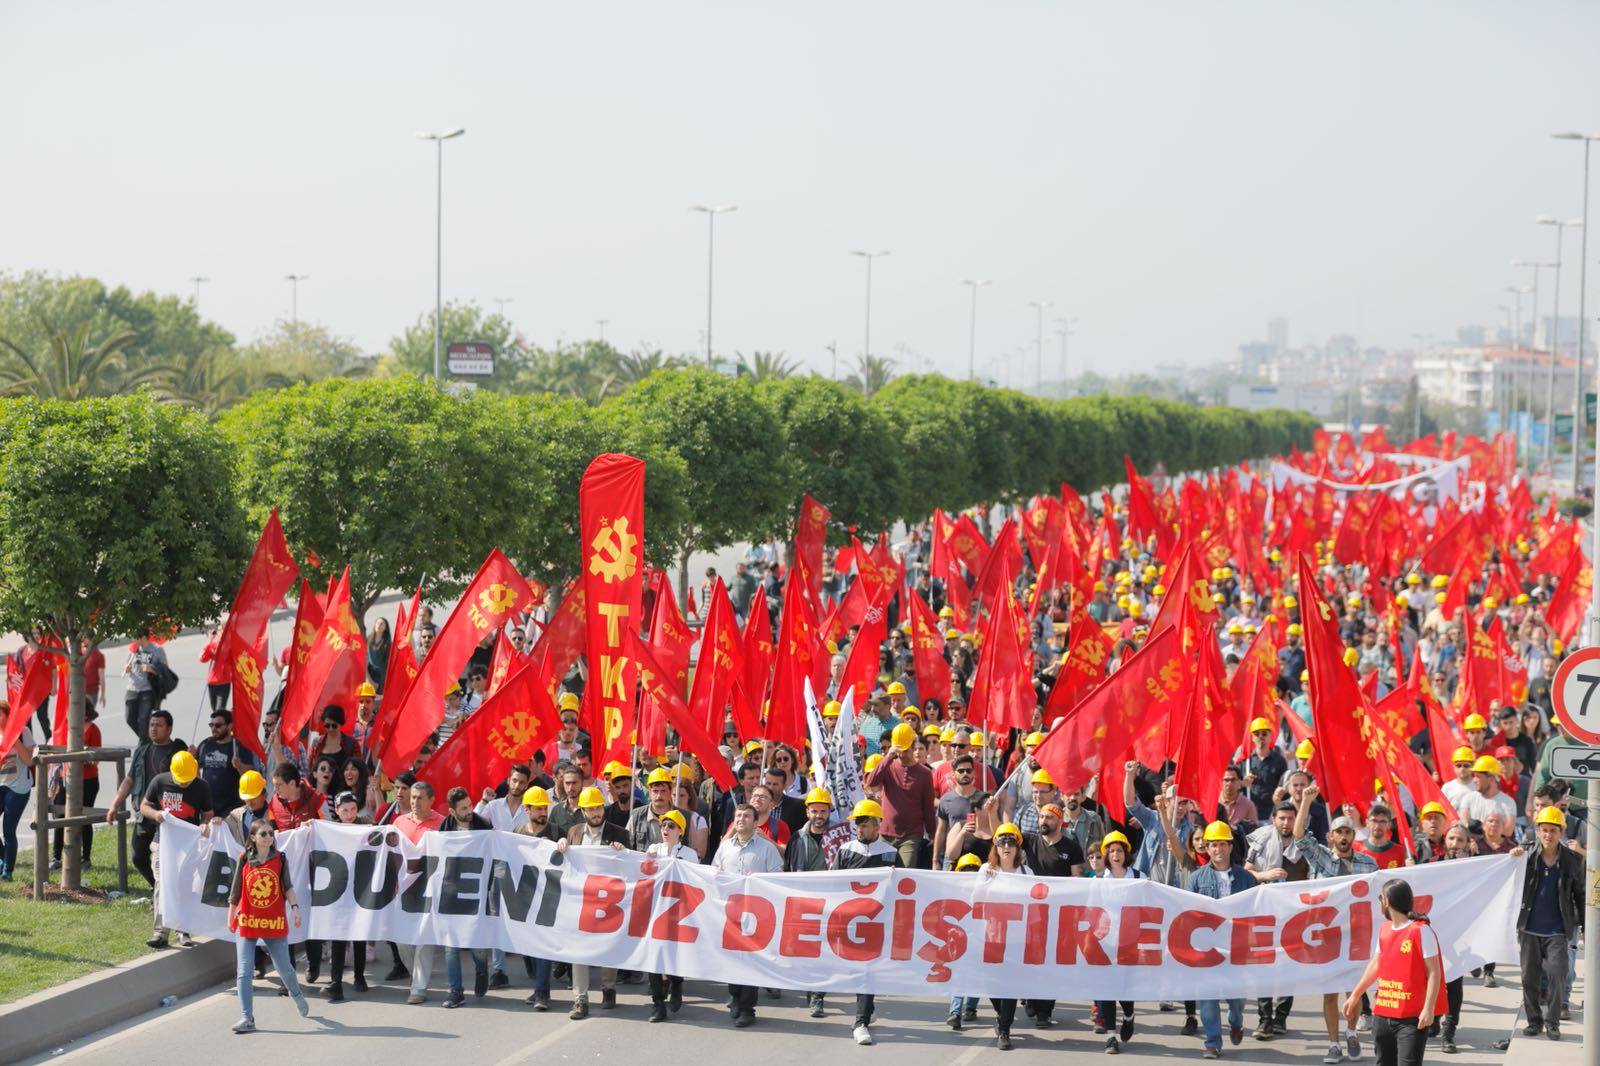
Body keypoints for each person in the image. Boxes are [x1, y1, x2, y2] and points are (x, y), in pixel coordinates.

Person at [1287, 784, 1374, 1064]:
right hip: (1326, 936)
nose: (1344, 836)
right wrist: (1306, 803)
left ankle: (1351, 1033)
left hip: (1356, 936)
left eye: (1348, 831)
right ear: (1331, 836)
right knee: (1329, 995)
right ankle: (1334, 1044)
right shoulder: (1322, 857)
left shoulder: (1369, 864)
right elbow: (1299, 836)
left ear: (1353, 836)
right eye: (1339, 832)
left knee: (1355, 991)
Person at [1343, 880, 1445, 1066]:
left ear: (1387, 901)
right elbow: (1376, 964)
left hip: (1411, 1018)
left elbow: (1434, 972)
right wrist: (1355, 995)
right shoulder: (1384, 929)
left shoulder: (1421, 931)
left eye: (1380, 898)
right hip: (1383, 1015)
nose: (1380, 902)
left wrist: (1429, 1008)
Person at [228, 820, 310, 1033]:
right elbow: (235, 891)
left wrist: (295, 908)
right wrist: (231, 916)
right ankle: (247, 1017)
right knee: (244, 971)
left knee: (284, 968)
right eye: (263, 833)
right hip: (248, 920)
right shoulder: (244, 858)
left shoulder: (280, 858)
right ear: (253, 838)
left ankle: (296, 993)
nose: (268, 837)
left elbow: (288, 887)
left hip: (273, 921)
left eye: (270, 833)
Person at [711, 803, 784, 1027]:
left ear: (755, 821)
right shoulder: (725, 848)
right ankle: (734, 996)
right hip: (731, 911)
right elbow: (714, 873)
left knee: (751, 960)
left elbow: (777, 876)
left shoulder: (766, 848)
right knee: (732, 957)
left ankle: (747, 1008)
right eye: (738, 816)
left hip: (756, 914)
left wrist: (759, 879)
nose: (742, 819)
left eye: (746, 816)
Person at [1188, 822, 1257, 1058]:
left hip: (1236, 947)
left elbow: (1255, 911)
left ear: (1230, 846)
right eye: (1213, 844)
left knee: (1236, 999)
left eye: (1223, 844)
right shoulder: (1196, 879)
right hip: (1207, 947)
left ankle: (1235, 1022)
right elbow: (1188, 913)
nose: (1218, 849)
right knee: (1207, 997)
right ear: (1206, 848)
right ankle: (1212, 1042)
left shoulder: (1246, 878)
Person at [1517, 805, 1584, 1041]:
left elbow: (1580, 894)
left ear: (1562, 833)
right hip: (1529, 928)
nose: (1548, 835)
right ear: (1537, 831)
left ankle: (1552, 1022)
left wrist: (1585, 926)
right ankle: (1534, 1021)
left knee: (1557, 974)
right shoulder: (1525, 855)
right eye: (1544, 830)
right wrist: (1512, 857)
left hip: (1557, 929)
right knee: (1529, 978)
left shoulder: (1572, 860)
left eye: (1553, 831)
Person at [561, 786, 627, 1017]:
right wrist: (561, 844)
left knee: (608, 946)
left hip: (609, 900)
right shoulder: (574, 832)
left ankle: (608, 987)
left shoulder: (619, 833)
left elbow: (631, 866)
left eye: (599, 807)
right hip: (581, 899)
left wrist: (622, 852)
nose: (596, 812)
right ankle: (580, 998)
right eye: (591, 809)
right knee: (578, 949)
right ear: (583, 811)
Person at [1245, 799, 1308, 1039]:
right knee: (1264, 966)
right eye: (1281, 818)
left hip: (1294, 915)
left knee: (1287, 967)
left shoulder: (1305, 843)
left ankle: (1281, 1018)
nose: (1286, 822)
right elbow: (1247, 870)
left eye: (1291, 818)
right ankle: (1264, 1020)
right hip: (1265, 912)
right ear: (1273, 819)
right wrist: (1265, 875)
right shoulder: (1260, 840)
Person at [104, 708, 186, 891]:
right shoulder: (142, 751)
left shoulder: (178, 751)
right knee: (138, 856)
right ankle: (157, 887)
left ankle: (168, 891)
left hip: (168, 816)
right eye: (151, 725)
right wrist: (114, 805)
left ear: (169, 729)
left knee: (167, 858)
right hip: (144, 813)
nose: (154, 728)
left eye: (159, 725)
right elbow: (129, 779)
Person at [139, 749, 212, 949]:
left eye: (188, 781)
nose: (184, 784)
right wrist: (156, 814)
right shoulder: (159, 782)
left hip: (188, 847)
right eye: (180, 781)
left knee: (183, 887)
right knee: (163, 884)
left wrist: (205, 824)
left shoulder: (202, 787)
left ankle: (183, 930)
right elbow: (144, 806)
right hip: (162, 842)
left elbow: (208, 812)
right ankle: (160, 932)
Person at [439, 787, 492, 1007]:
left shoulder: (482, 825)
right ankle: (455, 991)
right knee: (450, 945)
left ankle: (481, 970)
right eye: (463, 808)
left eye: (470, 805)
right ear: (453, 811)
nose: (469, 810)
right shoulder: (445, 828)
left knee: (476, 944)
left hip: (476, 892)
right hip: (451, 892)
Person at [642, 809, 696, 1021]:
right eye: (663, 825)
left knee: (674, 953)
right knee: (654, 957)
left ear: (680, 831)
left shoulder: (689, 854)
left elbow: (693, 879)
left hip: (679, 911)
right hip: (656, 910)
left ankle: (676, 983)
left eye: (671, 826)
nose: (665, 829)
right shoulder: (653, 848)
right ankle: (657, 1003)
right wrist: (650, 861)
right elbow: (644, 874)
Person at [982, 821, 1032, 1051]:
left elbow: (1036, 904)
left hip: (1016, 939)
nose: (1007, 846)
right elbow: (973, 900)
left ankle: (1004, 1029)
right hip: (991, 937)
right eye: (1002, 842)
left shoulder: (1026, 873)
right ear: (996, 846)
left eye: (1012, 842)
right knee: (990, 983)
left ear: (1018, 847)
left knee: (1009, 985)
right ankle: (1002, 1015)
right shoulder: (986, 870)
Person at [864, 722, 936, 868]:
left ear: (912, 745)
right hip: (885, 834)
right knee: (882, 874)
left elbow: (928, 806)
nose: (902, 754)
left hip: (911, 836)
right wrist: (888, 757)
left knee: (905, 874)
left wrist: (932, 833)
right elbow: (871, 782)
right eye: (899, 749)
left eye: (905, 749)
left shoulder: (925, 773)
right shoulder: (888, 765)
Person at [514, 786, 560, 1009]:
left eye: (545, 807)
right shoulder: (517, 833)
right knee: (529, 946)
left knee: (542, 946)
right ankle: (540, 988)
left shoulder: (555, 832)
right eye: (539, 808)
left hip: (548, 897)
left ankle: (541, 993)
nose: (543, 812)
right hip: (524, 896)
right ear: (527, 809)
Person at [1096, 831, 1142, 1055]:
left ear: (1126, 854)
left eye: (1119, 850)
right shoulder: (1097, 880)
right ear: (1106, 854)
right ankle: (1111, 1036)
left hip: (1130, 941)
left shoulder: (1138, 876)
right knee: (1106, 988)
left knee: (1125, 987)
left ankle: (1129, 1016)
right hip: (1104, 942)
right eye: (1111, 851)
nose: (1116, 854)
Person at [51, 700, 102, 870]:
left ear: (84, 711)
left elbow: (97, 759)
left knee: (84, 817)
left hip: (88, 781)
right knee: (59, 815)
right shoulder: (67, 728)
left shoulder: (93, 729)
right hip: (66, 778)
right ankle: (56, 857)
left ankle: (85, 858)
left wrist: (83, 755)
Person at [0, 698, 36, 881]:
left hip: (18, 789)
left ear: (7, 715)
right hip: (1, 785)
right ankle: (2, 860)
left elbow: (29, 760)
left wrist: (13, 739)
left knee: (8, 829)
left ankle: (7, 871)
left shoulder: (23, 732)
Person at [195, 710, 257, 812]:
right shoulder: (205, 744)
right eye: (211, 725)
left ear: (230, 726)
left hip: (232, 809)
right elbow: (196, 767)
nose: (214, 729)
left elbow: (251, 776)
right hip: (208, 808)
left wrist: (240, 766)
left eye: (218, 725)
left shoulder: (239, 746)